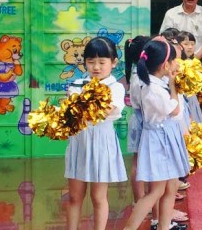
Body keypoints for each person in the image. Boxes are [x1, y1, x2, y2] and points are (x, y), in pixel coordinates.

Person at [123, 38, 190, 230]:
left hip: (163, 139)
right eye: (174, 60)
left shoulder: (154, 83)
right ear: (165, 65)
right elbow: (176, 113)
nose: (177, 64)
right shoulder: (154, 89)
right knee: (155, 191)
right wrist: (174, 85)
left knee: (170, 187)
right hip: (160, 141)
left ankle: (164, 226)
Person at [65, 37, 127, 230]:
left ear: (114, 62)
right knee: (75, 196)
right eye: (91, 62)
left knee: (98, 197)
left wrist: (81, 105)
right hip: (79, 142)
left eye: (102, 62)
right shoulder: (76, 84)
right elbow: (71, 111)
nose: (96, 67)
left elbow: (106, 111)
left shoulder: (115, 87)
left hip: (102, 143)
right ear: (85, 63)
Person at [124, 36, 151, 204]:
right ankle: (141, 201)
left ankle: (140, 200)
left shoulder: (135, 74)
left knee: (138, 161)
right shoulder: (142, 78)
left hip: (138, 120)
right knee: (141, 163)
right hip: (145, 122)